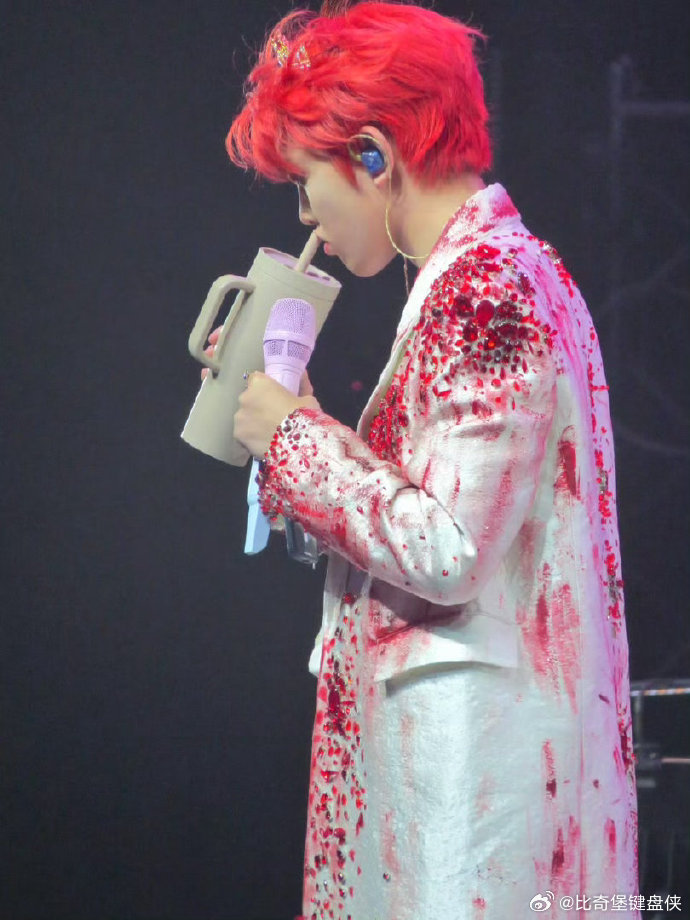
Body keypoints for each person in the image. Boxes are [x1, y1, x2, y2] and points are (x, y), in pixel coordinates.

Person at [225, 3, 639, 917]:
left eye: (306, 184)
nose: (307, 216)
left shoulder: (488, 286)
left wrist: (295, 440)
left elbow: (448, 548)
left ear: (373, 155)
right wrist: (302, 436)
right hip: (464, 792)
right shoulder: (492, 275)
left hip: (476, 810)